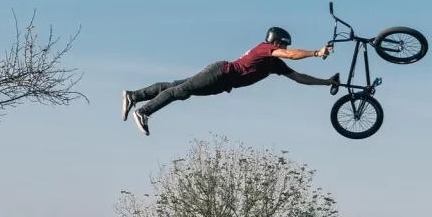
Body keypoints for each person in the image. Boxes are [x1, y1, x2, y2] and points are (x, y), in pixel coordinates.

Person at [122, 26, 339, 135]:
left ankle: (133, 96)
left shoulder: (275, 65)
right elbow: (291, 54)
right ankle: (144, 112)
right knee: (181, 91)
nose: (284, 49)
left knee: (173, 87)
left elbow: (301, 78)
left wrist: (327, 82)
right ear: (277, 43)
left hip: (222, 83)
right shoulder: (265, 49)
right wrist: (316, 53)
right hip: (219, 73)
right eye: (283, 45)